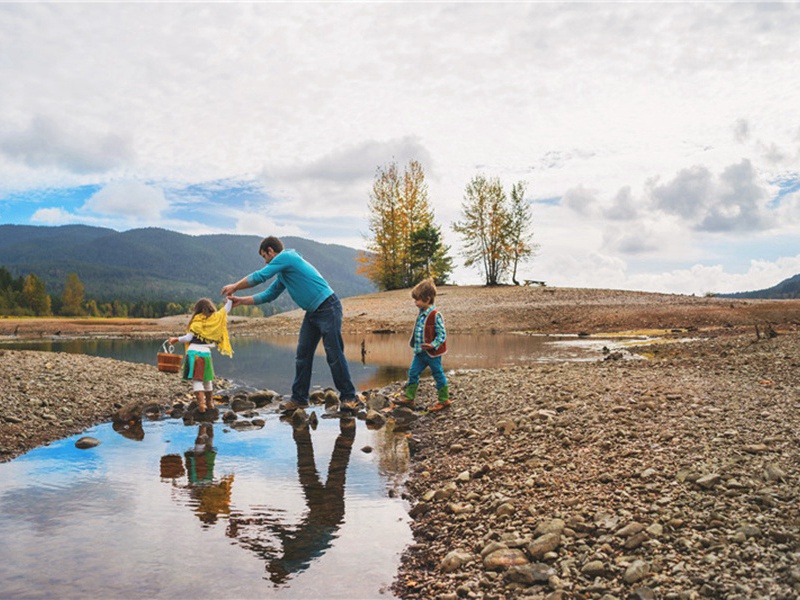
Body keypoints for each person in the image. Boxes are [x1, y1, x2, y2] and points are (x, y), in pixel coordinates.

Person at [220, 236, 360, 413]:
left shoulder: (287, 257)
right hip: (312, 312)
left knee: (333, 353)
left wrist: (235, 286)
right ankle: (299, 399)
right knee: (303, 355)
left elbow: (260, 276)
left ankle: (348, 396)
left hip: (328, 307)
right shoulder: (284, 273)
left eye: (264, 256)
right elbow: (269, 295)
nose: (265, 261)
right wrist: (241, 300)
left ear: (271, 251)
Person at [168, 297, 233, 413]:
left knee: (197, 380)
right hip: (206, 354)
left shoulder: (196, 322)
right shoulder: (216, 318)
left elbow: (188, 338)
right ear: (211, 307)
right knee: (207, 379)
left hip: (193, 353)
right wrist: (229, 299)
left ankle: (202, 406)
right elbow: (226, 309)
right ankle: (210, 404)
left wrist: (175, 339)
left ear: (197, 309)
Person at [395, 278, 450, 411]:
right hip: (420, 352)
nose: (415, 303)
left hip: (432, 353)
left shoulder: (435, 315)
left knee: (438, 374)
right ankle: (409, 398)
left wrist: (433, 344)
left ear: (427, 299)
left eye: (417, 300)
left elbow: (442, 334)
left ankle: (444, 400)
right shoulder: (421, 314)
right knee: (413, 372)